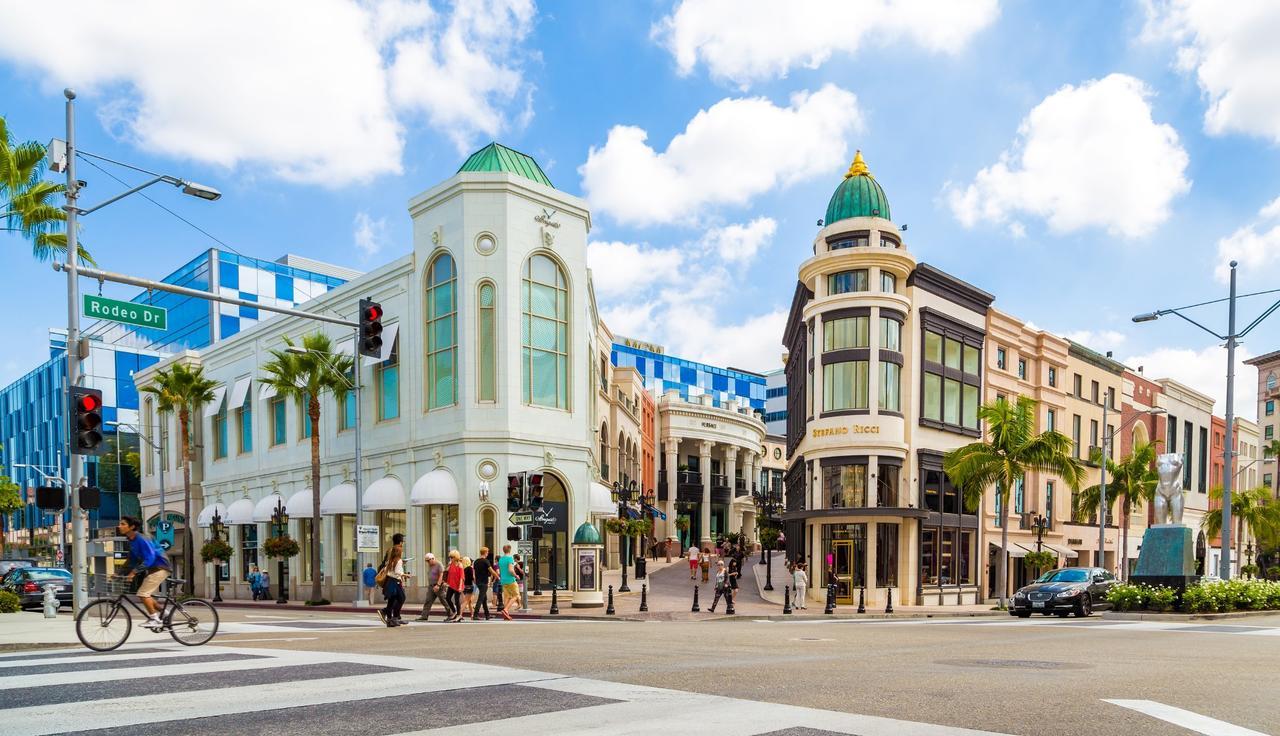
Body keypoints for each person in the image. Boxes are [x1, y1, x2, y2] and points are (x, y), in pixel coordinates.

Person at [117, 516, 171, 631]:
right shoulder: (131, 540)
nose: (119, 526)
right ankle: (164, 613)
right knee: (146, 595)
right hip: (153, 569)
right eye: (120, 524)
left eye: (122, 524)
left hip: (161, 567)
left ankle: (154, 619)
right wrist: (119, 573)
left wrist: (134, 572)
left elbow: (150, 558)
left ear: (132, 527)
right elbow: (131, 560)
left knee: (142, 593)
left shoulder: (142, 538)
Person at [379, 533, 410, 626]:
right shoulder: (397, 557)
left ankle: (391, 619)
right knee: (401, 598)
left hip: (390, 580)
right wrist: (404, 574)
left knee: (392, 599)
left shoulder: (391, 554)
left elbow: (387, 564)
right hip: (395, 580)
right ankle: (393, 616)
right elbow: (397, 571)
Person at [414, 552, 450, 622]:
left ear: (432, 558)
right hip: (431, 586)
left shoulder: (439, 564)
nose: (427, 562)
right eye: (426, 561)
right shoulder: (430, 565)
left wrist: (438, 585)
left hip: (439, 586)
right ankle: (424, 616)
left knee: (444, 600)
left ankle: (451, 614)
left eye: (428, 560)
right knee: (428, 600)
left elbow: (441, 575)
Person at [497, 544, 519, 621]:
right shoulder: (510, 558)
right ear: (510, 550)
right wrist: (516, 576)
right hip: (511, 580)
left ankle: (506, 615)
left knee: (507, 597)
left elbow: (500, 570)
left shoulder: (500, 559)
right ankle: (506, 610)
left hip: (503, 580)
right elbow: (510, 570)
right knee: (516, 596)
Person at [471, 547, 493, 620]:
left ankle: (487, 615)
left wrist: (475, 579)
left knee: (484, 599)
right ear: (485, 552)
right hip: (484, 582)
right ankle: (475, 615)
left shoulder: (476, 561)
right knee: (480, 599)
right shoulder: (486, 561)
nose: (487, 554)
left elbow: (473, 572)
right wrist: (498, 577)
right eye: (487, 552)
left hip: (478, 582)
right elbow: (491, 571)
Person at [444, 550, 465, 623]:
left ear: (456, 557)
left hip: (458, 584)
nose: (451, 559)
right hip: (451, 584)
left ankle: (459, 615)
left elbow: (461, 577)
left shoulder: (460, 565)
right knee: (447, 598)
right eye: (450, 557)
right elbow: (446, 572)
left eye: (452, 557)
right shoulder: (451, 564)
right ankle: (454, 611)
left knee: (457, 601)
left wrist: (459, 587)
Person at [461, 555, 475, 620]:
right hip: (469, 586)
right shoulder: (470, 568)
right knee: (466, 601)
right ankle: (459, 614)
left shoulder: (463, 569)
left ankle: (472, 614)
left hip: (464, 586)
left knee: (469, 602)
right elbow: (472, 578)